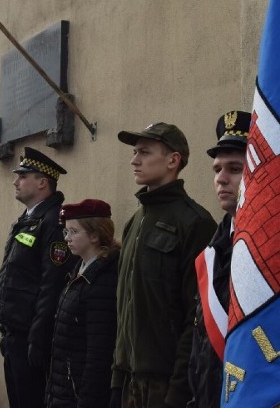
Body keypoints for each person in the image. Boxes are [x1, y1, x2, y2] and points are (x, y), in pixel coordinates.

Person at [112, 123, 216, 408]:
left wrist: (179, 390)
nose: (134, 160)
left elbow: (196, 318)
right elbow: (124, 308)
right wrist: (116, 380)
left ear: (173, 160)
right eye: (135, 152)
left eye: (144, 152)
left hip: (166, 383)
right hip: (129, 380)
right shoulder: (134, 221)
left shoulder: (194, 222)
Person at [0, 147, 74, 408]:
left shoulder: (53, 222)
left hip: (31, 337)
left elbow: (51, 285)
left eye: (22, 176)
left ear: (42, 182)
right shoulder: (28, 219)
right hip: (14, 332)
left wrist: (37, 339)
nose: (15, 181)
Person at [188, 111, 251, 408]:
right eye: (217, 169)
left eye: (234, 169)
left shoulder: (271, 251)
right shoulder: (213, 250)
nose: (221, 179)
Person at [46, 199, 120, 408]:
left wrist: (86, 400)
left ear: (95, 235)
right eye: (66, 232)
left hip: (79, 394)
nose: (67, 239)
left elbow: (99, 352)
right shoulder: (81, 269)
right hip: (64, 389)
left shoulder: (103, 279)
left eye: (74, 232)